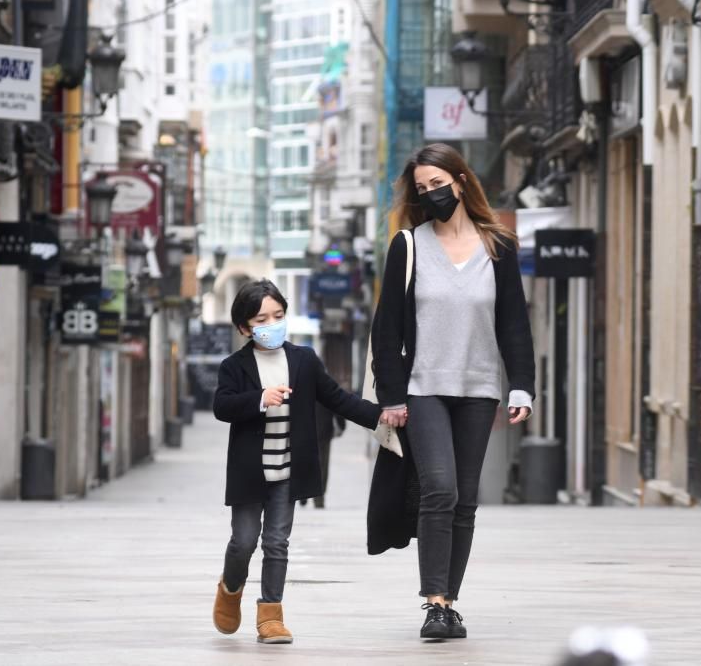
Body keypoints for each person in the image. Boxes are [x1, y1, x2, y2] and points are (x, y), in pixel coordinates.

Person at [370, 143, 536, 640]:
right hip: (424, 389)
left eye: (438, 184)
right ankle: (434, 603)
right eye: (423, 189)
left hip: (479, 388)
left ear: (460, 182)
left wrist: (521, 385)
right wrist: (392, 397)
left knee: (465, 498)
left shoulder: (498, 246)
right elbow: (387, 329)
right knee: (439, 489)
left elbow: (514, 324)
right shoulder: (410, 246)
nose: (432, 194)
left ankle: (451, 600)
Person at [211, 279, 386, 644]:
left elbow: (337, 398)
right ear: (244, 327)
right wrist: (260, 398)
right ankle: (230, 589)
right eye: (261, 319)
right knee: (244, 541)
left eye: (278, 315)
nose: (272, 324)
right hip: (250, 471)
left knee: (277, 542)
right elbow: (222, 407)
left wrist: (380, 415)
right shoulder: (234, 366)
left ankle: (270, 615)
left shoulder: (303, 360)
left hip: (289, 468)